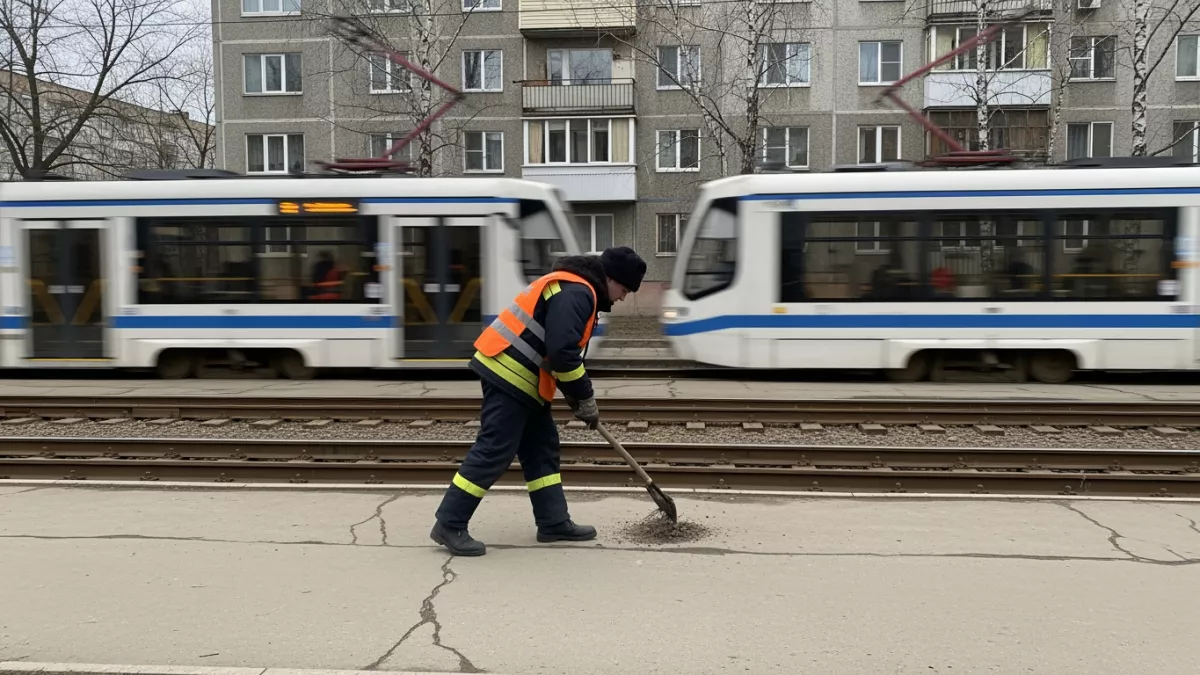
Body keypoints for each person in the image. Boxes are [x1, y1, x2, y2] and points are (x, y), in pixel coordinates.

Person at [430, 246, 647, 556]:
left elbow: (556, 354)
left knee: (541, 448)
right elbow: (563, 352)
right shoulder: (578, 292)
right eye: (624, 289)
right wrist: (585, 396)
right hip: (509, 373)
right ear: (610, 278)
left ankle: (553, 521)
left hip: (522, 379)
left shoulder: (575, 287)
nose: (623, 297)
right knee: (495, 449)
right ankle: (449, 522)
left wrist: (574, 395)